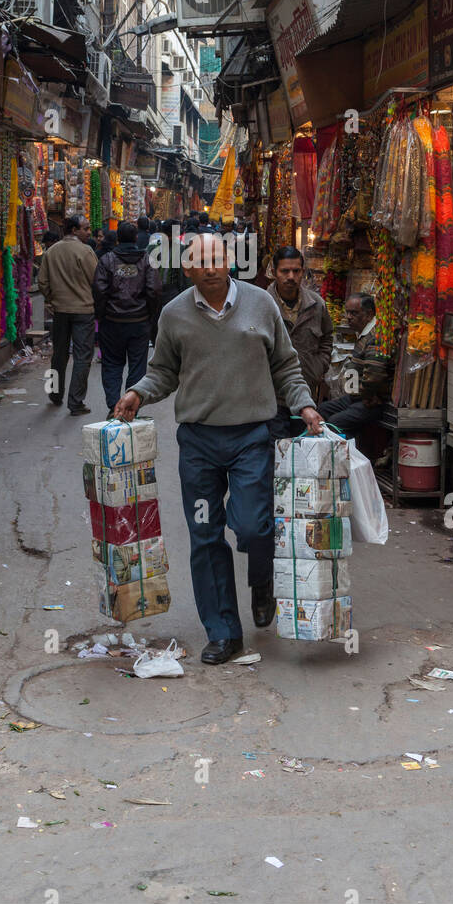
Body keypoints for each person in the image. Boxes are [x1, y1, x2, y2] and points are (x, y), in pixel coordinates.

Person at [114, 233, 323, 665]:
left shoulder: (260, 305)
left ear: (231, 262)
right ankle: (224, 632)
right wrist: (138, 393)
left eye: (216, 258)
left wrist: (304, 404)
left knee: (253, 527)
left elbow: (285, 364)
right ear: (186, 269)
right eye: (199, 261)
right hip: (199, 444)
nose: (209, 267)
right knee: (206, 535)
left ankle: (261, 581)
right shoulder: (174, 315)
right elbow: (163, 373)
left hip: (251, 437)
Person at [93, 219, 160, 414]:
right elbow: (154, 290)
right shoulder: (147, 260)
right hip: (138, 321)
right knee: (137, 366)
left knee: (112, 364)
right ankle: (130, 406)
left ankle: (115, 405)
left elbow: (99, 290)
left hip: (112, 322)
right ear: (136, 237)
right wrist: (150, 315)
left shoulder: (107, 260)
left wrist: (102, 314)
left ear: (117, 239)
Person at [267, 246, 334, 440]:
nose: (291, 276)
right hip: (273, 397)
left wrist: (319, 366)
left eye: (296, 271)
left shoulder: (316, 304)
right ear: (274, 272)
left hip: (306, 392)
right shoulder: (263, 303)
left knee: (302, 454)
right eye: (284, 271)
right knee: (276, 453)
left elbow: (327, 338)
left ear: (303, 272)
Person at [38, 213, 98, 415]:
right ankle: (76, 402)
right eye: (86, 228)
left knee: (58, 354)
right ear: (74, 230)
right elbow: (96, 280)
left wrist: (53, 299)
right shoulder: (86, 251)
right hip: (83, 310)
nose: (89, 232)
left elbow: (43, 282)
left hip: (60, 310)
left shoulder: (51, 252)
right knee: (82, 356)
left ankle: (54, 393)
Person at [318, 294, 392, 437]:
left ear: (369, 314)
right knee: (322, 410)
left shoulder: (375, 337)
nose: (349, 317)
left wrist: (366, 394)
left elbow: (374, 376)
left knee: (336, 423)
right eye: (348, 312)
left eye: (354, 313)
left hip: (372, 401)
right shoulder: (364, 335)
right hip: (357, 397)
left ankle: (346, 456)